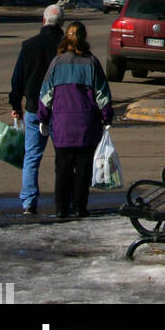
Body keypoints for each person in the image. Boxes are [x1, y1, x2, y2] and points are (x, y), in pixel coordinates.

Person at [37, 21, 113, 220]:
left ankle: (61, 207)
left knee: (62, 168)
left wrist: (43, 118)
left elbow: (46, 95)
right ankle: (80, 206)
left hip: (62, 125)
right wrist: (106, 117)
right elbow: (102, 94)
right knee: (83, 168)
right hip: (87, 124)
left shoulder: (57, 63)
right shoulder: (91, 62)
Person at [9, 3, 65, 215]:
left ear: (43, 21)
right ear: (62, 23)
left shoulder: (29, 45)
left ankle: (28, 202)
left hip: (34, 107)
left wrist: (16, 105)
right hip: (61, 110)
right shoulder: (65, 47)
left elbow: (17, 80)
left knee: (31, 157)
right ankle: (63, 200)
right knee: (63, 157)